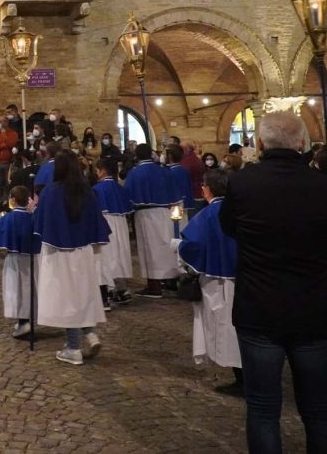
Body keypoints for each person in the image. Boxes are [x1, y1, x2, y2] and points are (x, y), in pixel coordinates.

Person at [219, 111, 327, 452]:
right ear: (301, 143)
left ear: (260, 143)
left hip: (259, 308)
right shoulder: (321, 185)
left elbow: (228, 228)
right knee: (319, 409)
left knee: (264, 409)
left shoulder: (241, 184)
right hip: (315, 309)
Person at [33, 150, 111, 366]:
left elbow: (41, 223)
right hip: (83, 252)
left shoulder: (50, 192)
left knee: (66, 300)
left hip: (59, 254)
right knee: (82, 295)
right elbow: (97, 223)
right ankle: (90, 334)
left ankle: (73, 348)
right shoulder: (87, 191)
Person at [172, 168, 242, 396]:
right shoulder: (240, 210)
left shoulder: (209, 214)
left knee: (225, 326)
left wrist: (177, 246)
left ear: (207, 189)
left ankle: (243, 379)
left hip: (217, 279)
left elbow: (194, 245)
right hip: (244, 276)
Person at [124, 143, 180, 298]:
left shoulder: (135, 173)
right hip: (165, 212)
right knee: (165, 246)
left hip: (146, 215)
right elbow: (175, 195)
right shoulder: (164, 171)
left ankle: (154, 286)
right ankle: (171, 281)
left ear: (137, 155)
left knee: (149, 249)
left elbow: (128, 195)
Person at [0, 186, 39, 338]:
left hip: (14, 260)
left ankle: (23, 321)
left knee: (16, 289)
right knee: (29, 288)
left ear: (12, 199)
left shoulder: (6, 219)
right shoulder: (33, 218)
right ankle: (26, 319)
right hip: (31, 259)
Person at [93, 157, 134, 306]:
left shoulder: (97, 189)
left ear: (102, 170)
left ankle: (109, 289)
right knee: (120, 253)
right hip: (121, 223)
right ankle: (121, 287)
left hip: (106, 222)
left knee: (107, 255)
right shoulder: (120, 188)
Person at [0, 114, 20, 208]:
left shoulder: (13, 133)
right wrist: (3, 145)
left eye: (2, 121)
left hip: (8, 162)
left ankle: (7, 203)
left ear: (7, 122)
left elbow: (11, 144)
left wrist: (4, 135)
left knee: (7, 184)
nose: (0, 123)